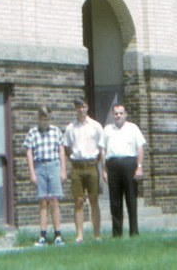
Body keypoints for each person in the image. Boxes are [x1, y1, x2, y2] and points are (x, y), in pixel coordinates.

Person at [22, 106, 66, 246]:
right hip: (40, 166)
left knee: (54, 200)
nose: (44, 121)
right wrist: (32, 172)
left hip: (54, 165)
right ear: (38, 118)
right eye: (42, 118)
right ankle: (43, 235)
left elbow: (61, 151)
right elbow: (29, 152)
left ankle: (58, 234)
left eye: (47, 118)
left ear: (49, 118)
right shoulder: (32, 133)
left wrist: (63, 170)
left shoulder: (56, 131)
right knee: (42, 202)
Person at [102, 103, 147, 237]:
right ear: (113, 114)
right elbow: (103, 151)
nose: (118, 116)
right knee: (115, 202)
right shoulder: (107, 129)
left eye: (121, 113)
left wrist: (139, 167)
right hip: (113, 165)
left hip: (129, 164)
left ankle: (134, 232)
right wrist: (104, 170)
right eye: (116, 113)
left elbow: (140, 149)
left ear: (126, 114)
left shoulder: (133, 128)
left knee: (131, 200)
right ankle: (117, 234)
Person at [63, 97, 103, 242]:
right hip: (77, 167)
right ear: (75, 109)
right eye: (78, 107)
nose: (81, 109)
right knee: (78, 201)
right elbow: (67, 147)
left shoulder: (96, 126)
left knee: (94, 199)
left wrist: (97, 163)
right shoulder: (70, 128)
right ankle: (79, 235)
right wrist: (74, 160)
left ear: (87, 108)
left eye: (84, 106)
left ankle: (97, 235)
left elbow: (101, 147)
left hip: (91, 165)